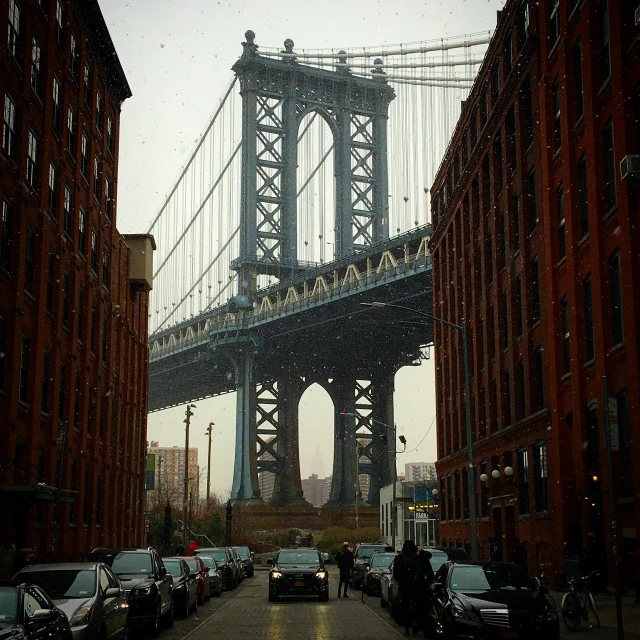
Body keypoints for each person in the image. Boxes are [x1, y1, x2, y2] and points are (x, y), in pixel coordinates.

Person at [393, 540, 418, 635]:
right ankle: (415, 624)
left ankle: (407, 628)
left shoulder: (399, 558)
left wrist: (402, 580)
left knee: (405, 607)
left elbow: (396, 574)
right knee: (415, 606)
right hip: (415, 587)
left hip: (404, 587)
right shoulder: (416, 558)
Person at [413, 548, 435, 635]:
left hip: (418, 590)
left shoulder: (415, 561)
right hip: (426, 590)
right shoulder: (426, 561)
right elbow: (431, 575)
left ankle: (417, 627)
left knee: (417, 609)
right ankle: (425, 628)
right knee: (425, 610)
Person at [633, 539, 640, 605]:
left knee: (638, 587)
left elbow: (634, 561)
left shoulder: (637, 552)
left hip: (638, 573)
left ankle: (638, 599)